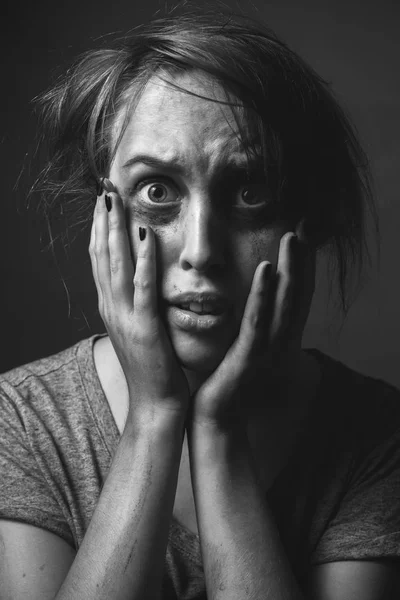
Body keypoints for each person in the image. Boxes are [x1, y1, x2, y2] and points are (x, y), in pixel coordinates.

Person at [0, 8, 399, 600]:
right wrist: (155, 416)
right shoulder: (24, 423)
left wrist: (218, 432)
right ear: (102, 214)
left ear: (307, 223)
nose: (201, 250)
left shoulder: (379, 435)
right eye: (157, 193)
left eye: (250, 192)